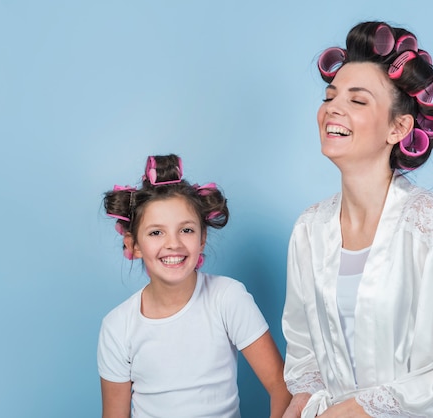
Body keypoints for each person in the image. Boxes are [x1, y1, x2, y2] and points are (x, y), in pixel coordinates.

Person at [281, 21, 433, 417]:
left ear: (399, 127)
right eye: (330, 96)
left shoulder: (432, 224)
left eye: (358, 100)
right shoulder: (309, 229)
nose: (333, 107)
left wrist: (360, 409)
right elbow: (303, 351)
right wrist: (302, 400)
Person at [97, 154, 291, 418]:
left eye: (186, 230)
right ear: (134, 245)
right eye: (156, 232)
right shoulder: (117, 327)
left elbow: (282, 388)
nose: (173, 243)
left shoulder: (227, 298)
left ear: (202, 238)